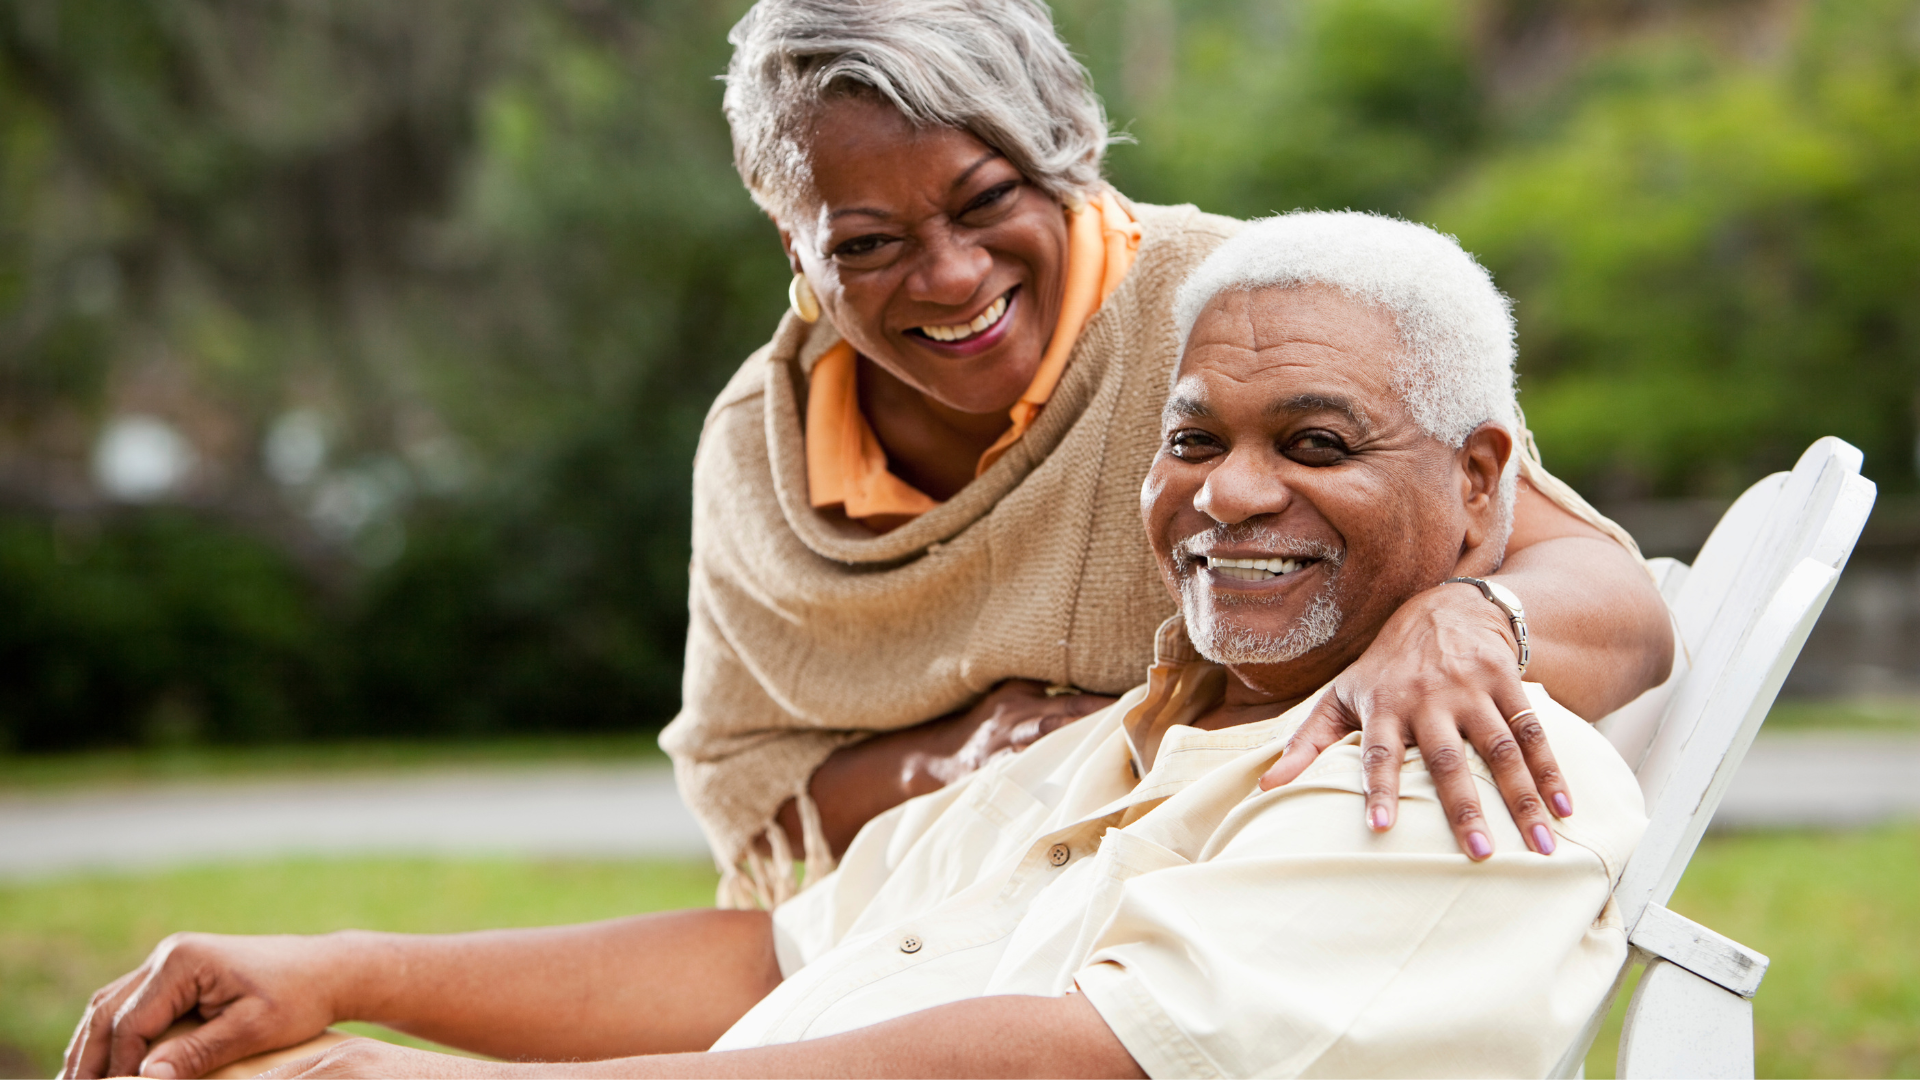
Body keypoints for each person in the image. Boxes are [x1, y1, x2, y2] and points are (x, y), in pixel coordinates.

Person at [65, 212, 1647, 1080]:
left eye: (1315, 439)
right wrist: (346, 974)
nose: (1231, 494)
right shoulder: (1120, 738)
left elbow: (1071, 1065)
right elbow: (774, 955)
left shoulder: (1458, 770)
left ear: (1484, 484)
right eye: (1190, 438)